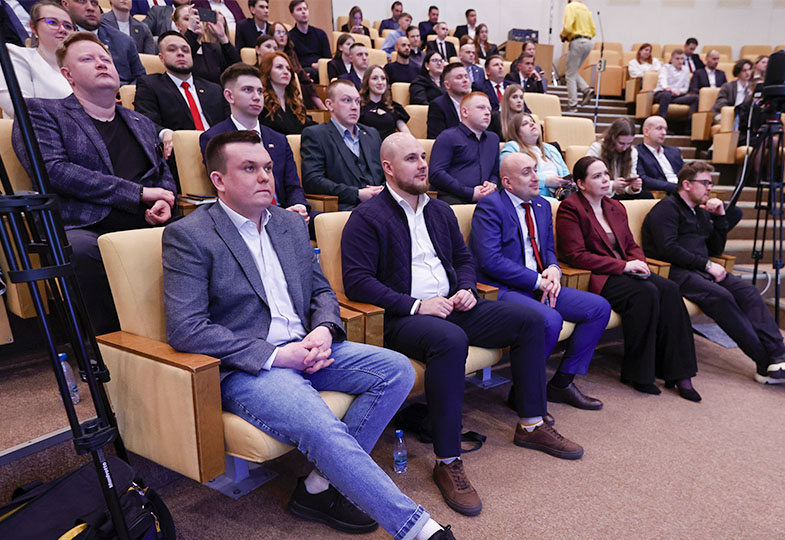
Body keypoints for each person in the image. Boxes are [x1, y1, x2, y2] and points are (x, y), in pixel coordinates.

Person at [164, 130, 456, 540]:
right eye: (249, 168)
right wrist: (276, 356)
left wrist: (322, 329)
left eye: (268, 167)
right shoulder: (190, 235)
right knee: (321, 423)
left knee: (396, 371)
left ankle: (317, 486)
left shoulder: (288, 223)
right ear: (219, 180)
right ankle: (418, 529)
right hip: (251, 366)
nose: (265, 176)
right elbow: (186, 327)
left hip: (309, 347)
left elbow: (321, 292)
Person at [342, 131, 584, 517]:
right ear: (388, 167)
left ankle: (531, 424)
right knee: (451, 340)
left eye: (423, 157)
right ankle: (448, 460)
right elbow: (358, 281)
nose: (422, 164)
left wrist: (467, 288)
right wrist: (417, 305)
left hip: (454, 306)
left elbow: (464, 260)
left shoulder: (440, 211)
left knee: (531, 320)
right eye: (411, 159)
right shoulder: (367, 216)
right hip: (403, 318)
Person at [13, 32, 175, 334]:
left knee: (204, 231)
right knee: (82, 250)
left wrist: (165, 199)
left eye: (105, 59)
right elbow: (53, 171)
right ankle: (111, 343)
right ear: (68, 75)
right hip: (85, 224)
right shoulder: (41, 112)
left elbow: (161, 172)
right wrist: (138, 193)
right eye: (88, 59)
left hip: (145, 219)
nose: (101, 64)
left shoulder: (140, 121)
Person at [642, 161, 785, 384]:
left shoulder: (699, 212)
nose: (710, 188)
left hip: (699, 269)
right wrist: (707, 265)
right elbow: (668, 249)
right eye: (705, 183)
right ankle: (765, 362)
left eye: (711, 183)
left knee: (748, 292)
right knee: (721, 297)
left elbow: (714, 249)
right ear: (687, 184)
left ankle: (779, 353)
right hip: (671, 271)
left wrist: (720, 218)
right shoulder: (666, 209)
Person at [471, 152, 611, 408]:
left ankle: (562, 384)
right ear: (507, 182)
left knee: (598, 308)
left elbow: (547, 249)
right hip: (503, 289)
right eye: (527, 173)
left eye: (535, 170)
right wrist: (537, 280)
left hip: (538, 285)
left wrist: (554, 268)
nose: (536, 177)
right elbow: (490, 261)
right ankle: (525, 393)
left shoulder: (542, 205)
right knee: (549, 320)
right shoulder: (490, 206)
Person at [557, 156, 701, 400]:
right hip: (599, 276)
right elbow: (576, 255)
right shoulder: (571, 208)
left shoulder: (615, 206)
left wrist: (639, 264)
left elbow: (631, 244)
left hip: (627, 270)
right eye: (597, 176)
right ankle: (638, 373)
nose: (605, 180)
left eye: (606, 174)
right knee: (645, 293)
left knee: (669, 289)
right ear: (581, 184)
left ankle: (680, 374)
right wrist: (623, 266)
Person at [199, 62, 309, 230]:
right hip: (245, 216)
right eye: (248, 90)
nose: (257, 97)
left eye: (260, 91)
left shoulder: (278, 138)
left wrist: (298, 206)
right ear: (229, 96)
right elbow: (229, 191)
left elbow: (293, 186)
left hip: (287, 212)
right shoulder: (215, 138)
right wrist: (280, 215)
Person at [134, 31, 228, 166]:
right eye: (172, 50)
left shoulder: (214, 89)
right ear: (161, 58)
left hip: (221, 152)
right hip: (180, 154)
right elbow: (145, 119)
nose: (180, 53)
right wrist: (164, 133)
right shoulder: (151, 85)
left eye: (185, 50)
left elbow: (228, 121)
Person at [302, 80, 385, 210]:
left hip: (381, 204)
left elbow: (388, 172)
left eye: (357, 101)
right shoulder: (316, 135)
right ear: (329, 104)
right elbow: (313, 181)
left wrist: (383, 190)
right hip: (346, 207)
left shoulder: (372, 134)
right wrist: (357, 194)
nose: (354, 107)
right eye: (347, 100)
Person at [0, 0, 73, 119]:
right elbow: (19, 107)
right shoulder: (15, 54)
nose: (62, 29)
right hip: (38, 129)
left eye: (68, 26)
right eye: (52, 22)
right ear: (33, 27)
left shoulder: (80, 66)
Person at [429, 92, 499, 204]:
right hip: (453, 196)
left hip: (486, 197)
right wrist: (469, 193)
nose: (487, 113)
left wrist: (492, 184)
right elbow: (436, 174)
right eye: (481, 108)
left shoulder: (493, 139)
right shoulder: (448, 137)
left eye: (489, 109)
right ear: (465, 112)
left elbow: (495, 172)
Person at [62, 0, 145, 85]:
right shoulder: (59, 38)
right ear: (66, 4)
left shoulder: (124, 41)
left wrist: (124, 90)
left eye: (94, 3)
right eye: (82, 1)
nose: (90, 8)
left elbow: (141, 79)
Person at [499, 113, 569, 198]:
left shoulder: (551, 148)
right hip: (533, 196)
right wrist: (546, 181)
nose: (532, 124)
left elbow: (566, 174)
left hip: (561, 195)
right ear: (516, 132)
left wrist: (567, 182)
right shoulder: (512, 147)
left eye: (532, 121)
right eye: (525, 124)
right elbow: (510, 174)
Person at [173, 3, 237, 85]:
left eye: (197, 17)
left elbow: (237, 70)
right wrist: (190, 31)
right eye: (187, 19)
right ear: (178, 25)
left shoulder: (213, 48)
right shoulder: (175, 50)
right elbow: (181, 67)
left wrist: (222, 37)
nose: (195, 21)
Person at [258, 51, 316, 135]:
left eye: (288, 69)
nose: (286, 72)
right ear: (267, 71)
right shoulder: (260, 101)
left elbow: (307, 125)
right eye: (279, 67)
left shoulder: (296, 103)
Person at [585, 117, 644, 199]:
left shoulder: (632, 152)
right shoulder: (597, 148)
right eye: (621, 143)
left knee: (647, 195)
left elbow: (629, 180)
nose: (625, 148)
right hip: (601, 194)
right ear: (613, 138)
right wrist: (612, 185)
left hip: (620, 193)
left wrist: (634, 187)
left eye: (629, 143)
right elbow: (588, 178)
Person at [269, 20, 321, 111]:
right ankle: (320, 108)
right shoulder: (270, 56)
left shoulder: (291, 53)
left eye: (284, 33)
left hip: (296, 80)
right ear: (271, 36)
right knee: (305, 83)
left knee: (305, 82)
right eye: (278, 32)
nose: (282, 35)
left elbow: (298, 68)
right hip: (282, 83)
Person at [359, 65, 411, 140]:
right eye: (375, 78)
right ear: (367, 82)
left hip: (389, 146)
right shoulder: (359, 107)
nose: (380, 82)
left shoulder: (393, 108)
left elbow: (407, 135)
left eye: (383, 78)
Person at [559, 0, 594, 111]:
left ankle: (572, 104)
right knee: (572, 72)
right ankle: (586, 89)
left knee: (569, 75)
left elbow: (568, 27)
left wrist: (562, 35)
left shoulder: (570, 7)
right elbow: (593, 30)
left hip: (577, 41)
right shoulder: (585, 8)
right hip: (588, 42)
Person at [635, 116, 683, 195]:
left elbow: (685, 173)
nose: (664, 133)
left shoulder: (675, 152)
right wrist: (676, 187)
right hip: (664, 193)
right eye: (659, 128)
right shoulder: (637, 153)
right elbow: (644, 180)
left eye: (665, 129)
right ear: (646, 131)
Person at [287, 0, 331, 79]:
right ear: (292, 14)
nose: (303, 12)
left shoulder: (320, 34)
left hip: (322, 68)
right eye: (299, 9)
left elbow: (328, 57)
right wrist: (312, 65)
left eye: (305, 9)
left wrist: (321, 65)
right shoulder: (290, 37)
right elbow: (294, 61)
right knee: (309, 72)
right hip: (304, 69)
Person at [427, 62, 470, 138]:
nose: (465, 80)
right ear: (447, 85)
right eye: (459, 77)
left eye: (466, 77)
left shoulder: (475, 102)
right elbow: (438, 138)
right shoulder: (438, 106)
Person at [654, 49, 698, 120]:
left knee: (695, 98)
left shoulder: (686, 69)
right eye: (677, 59)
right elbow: (663, 81)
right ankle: (661, 121)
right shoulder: (666, 67)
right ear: (671, 60)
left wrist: (679, 92)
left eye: (682, 58)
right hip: (662, 93)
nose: (680, 61)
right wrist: (668, 89)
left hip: (676, 96)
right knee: (667, 94)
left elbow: (685, 88)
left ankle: (689, 124)